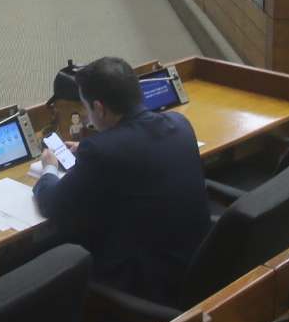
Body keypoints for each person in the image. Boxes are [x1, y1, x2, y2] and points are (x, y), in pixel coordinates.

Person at [30, 57, 210, 307]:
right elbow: (138, 149)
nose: (90, 118)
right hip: (196, 268)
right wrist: (88, 148)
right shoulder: (180, 124)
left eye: (88, 109)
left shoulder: (103, 152)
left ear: (100, 108)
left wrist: (49, 167)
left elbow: (54, 204)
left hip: (146, 286)